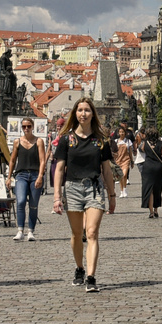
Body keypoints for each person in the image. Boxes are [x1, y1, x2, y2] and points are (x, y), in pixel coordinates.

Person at [52, 97, 116, 292]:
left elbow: (106, 170)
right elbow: (59, 169)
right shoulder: (66, 140)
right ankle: (79, 267)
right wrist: (56, 197)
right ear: (75, 113)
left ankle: (91, 277)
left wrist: (112, 195)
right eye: (80, 110)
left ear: (92, 114)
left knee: (92, 233)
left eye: (87, 110)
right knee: (77, 234)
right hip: (72, 188)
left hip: (94, 188)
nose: (83, 113)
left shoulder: (100, 140)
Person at [9, 118, 45, 240]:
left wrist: (40, 176)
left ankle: (30, 231)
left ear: (32, 127)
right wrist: (9, 177)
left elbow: (42, 160)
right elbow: (13, 160)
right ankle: (20, 230)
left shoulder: (39, 141)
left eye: (28, 126)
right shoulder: (17, 142)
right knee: (21, 201)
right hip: (21, 174)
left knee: (33, 205)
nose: (26, 129)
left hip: (35, 175)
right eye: (24, 126)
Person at [137, 130, 162, 219]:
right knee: (157, 189)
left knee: (149, 189)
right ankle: (156, 210)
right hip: (158, 167)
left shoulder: (145, 143)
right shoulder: (161, 143)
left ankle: (151, 212)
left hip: (148, 167)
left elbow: (141, 149)